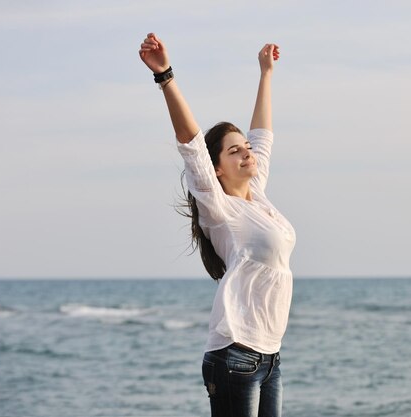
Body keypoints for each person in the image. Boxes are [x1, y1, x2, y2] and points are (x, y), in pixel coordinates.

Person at [138, 33, 296, 417]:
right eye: (234, 150)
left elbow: (263, 136)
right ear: (218, 169)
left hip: (269, 356)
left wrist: (266, 75)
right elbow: (190, 143)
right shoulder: (219, 207)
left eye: (245, 148)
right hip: (235, 355)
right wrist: (166, 77)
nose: (247, 153)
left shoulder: (257, 196)